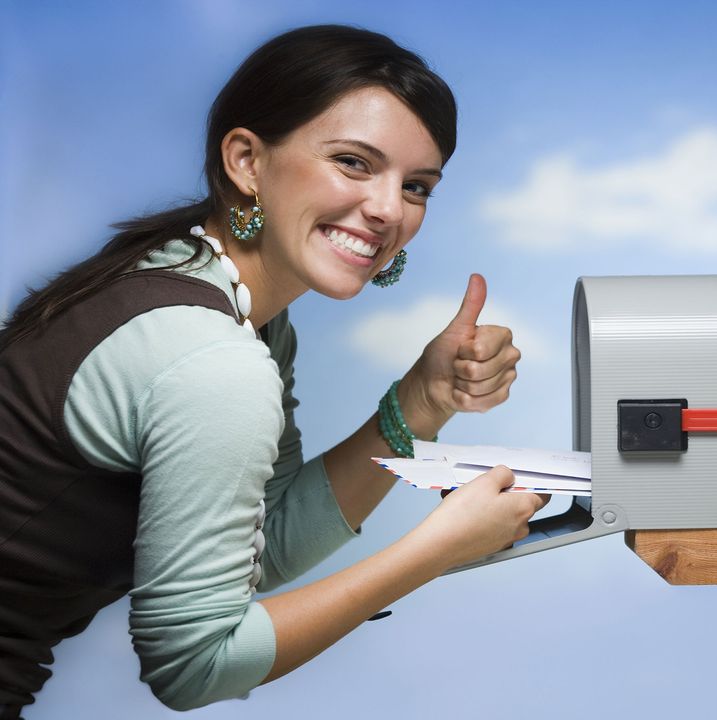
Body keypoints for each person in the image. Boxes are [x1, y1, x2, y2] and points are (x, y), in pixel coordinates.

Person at [0, 25, 547, 716]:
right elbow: (195, 667)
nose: (387, 209)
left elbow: (263, 543)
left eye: (415, 185)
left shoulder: (219, 295)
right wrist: (432, 554)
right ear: (247, 161)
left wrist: (419, 402)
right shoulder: (213, 360)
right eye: (353, 162)